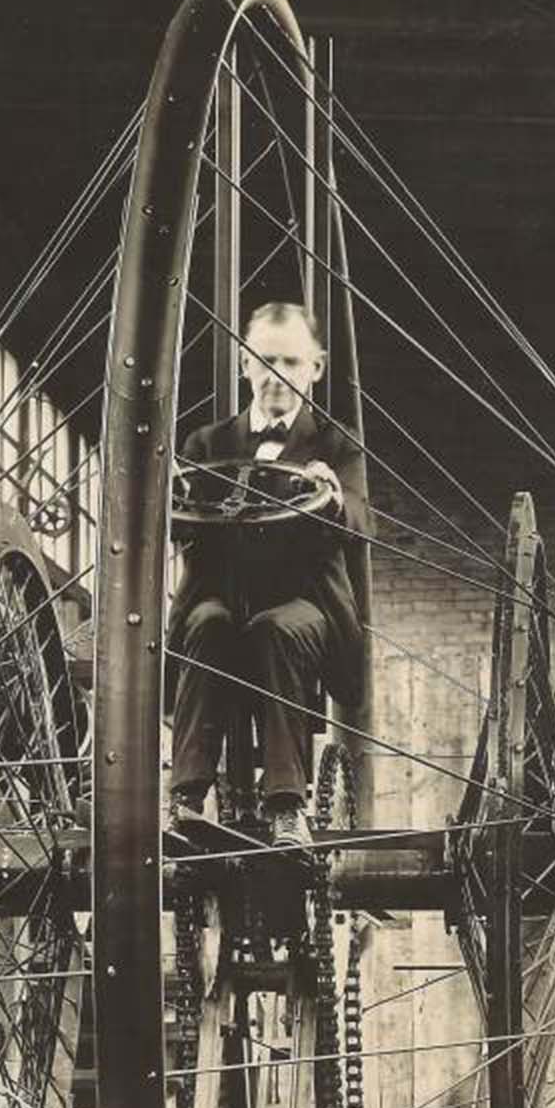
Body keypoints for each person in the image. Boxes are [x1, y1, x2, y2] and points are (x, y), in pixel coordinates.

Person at [167, 302, 367, 846]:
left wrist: (330, 495)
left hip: (304, 611)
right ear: (243, 364)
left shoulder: (336, 445)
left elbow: (358, 519)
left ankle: (285, 806)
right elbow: (179, 523)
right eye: (265, 360)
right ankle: (184, 798)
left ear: (316, 369)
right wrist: (173, 496)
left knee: (275, 630)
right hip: (223, 603)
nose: (277, 376)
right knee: (206, 623)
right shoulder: (206, 445)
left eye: (292, 363)